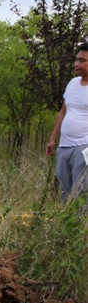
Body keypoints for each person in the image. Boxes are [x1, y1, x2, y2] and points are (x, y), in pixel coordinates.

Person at [45, 42, 88, 201]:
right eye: (76, 60)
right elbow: (62, 112)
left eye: (82, 60)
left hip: (84, 147)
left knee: (80, 191)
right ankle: (65, 224)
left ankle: (80, 225)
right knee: (65, 190)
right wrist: (52, 139)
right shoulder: (72, 84)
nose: (76, 64)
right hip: (64, 146)